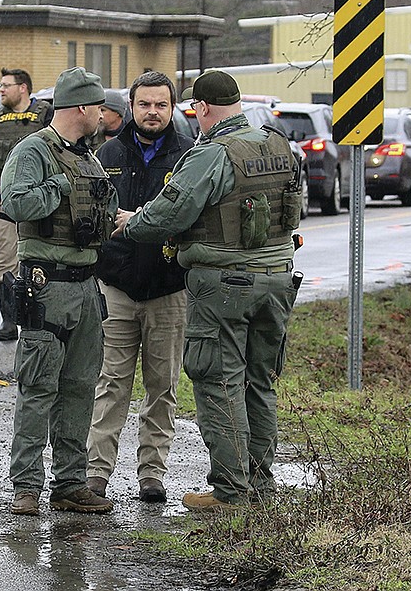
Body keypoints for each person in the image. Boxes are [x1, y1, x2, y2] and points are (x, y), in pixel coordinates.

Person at [114, 70, 303, 510]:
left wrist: (131, 223)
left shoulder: (212, 153)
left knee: (218, 381)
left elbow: (167, 215)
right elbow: (295, 209)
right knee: (261, 382)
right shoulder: (277, 145)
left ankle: (230, 490)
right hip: (277, 281)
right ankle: (258, 484)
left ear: (201, 108)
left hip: (225, 285)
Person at [0, 66, 118, 516]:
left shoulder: (89, 156)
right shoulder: (34, 151)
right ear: (82, 107)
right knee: (38, 387)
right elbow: (15, 203)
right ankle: (26, 486)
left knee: (80, 387)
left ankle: (70, 482)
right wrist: (58, 187)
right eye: (99, 107)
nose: (103, 116)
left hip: (87, 287)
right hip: (46, 285)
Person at [85, 71, 193, 503]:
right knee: (110, 383)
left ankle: (152, 473)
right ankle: (96, 473)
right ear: (131, 106)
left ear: (172, 108)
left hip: (168, 290)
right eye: (144, 104)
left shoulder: (189, 156)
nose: (152, 112)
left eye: (161, 105)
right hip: (116, 289)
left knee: (162, 386)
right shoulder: (106, 153)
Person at [0, 68, 53, 342]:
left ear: (23, 88)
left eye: (6, 85)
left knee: (40, 259)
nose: (1, 90)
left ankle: (40, 316)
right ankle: (9, 320)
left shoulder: (46, 116)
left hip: (39, 199)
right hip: (2, 202)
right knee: (6, 262)